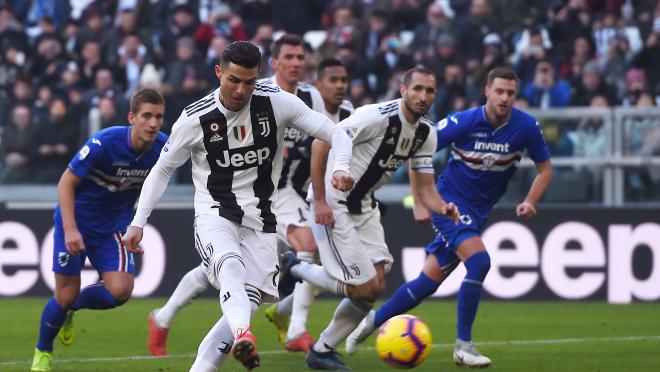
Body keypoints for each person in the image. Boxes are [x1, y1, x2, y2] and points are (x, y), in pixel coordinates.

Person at [121, 41, 354, 371]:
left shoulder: (276, 103)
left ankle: (221, 351)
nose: (241, 90)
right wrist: (138, 222)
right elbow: (162, 168)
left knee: (238, 311)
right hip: (215, 213)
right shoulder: (195, 118)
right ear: (219, 72)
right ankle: (247, 334)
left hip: (262, 220)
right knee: (230, 267)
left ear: (259, 76)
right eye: (233, 80)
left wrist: (342, 166)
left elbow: (337, 132)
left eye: (249, 82)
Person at [346, 67, 553, 368]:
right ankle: (463, 346)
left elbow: (545, 169)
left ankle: (370, 321)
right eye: (499, 91)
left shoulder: (526, 127)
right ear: (487, 91)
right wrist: (420, 201)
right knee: (480, 261)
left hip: (479, 213)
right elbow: (419, 149)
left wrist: (531, 200)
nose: (505, 98)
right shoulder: (464, 121)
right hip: (448, 204)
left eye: (510, 93)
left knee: (426, 283)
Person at [278, 67, 460, 370]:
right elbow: (324, 140)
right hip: (333, 203)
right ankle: (299, 269)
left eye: (429, 91)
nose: (423, 96)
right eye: (417, 89)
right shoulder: (378, 115)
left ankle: (322, 350)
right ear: (403, 90)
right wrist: (322, 195)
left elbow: (427, 190)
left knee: (374, 287)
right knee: (360, 285)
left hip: (363, 205)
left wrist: (443, 207)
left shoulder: (426, 133)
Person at [30, 88, 167, 372]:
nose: (153, 123)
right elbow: (66, 182)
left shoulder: (163, 149)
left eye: (159, 117)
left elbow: (158, 187)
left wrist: (136, 226)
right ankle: (42, 352)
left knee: (121, 290)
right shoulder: (104, 142)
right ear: (132, 117)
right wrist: (70, 229)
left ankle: (72, 308)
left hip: (112, 229)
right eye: (147, 116)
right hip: (76, 222)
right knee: (64, 294)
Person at [264, 57, 356, 353]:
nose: (340, 86)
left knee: (317, 260)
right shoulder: (303, 108)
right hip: (286, 193)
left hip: (324, 196)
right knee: (309, 251)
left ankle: (283, 316)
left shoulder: (350, 114)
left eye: (344, 80)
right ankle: (294, 329)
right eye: (333, 80)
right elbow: (300, 149)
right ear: (318, 85)